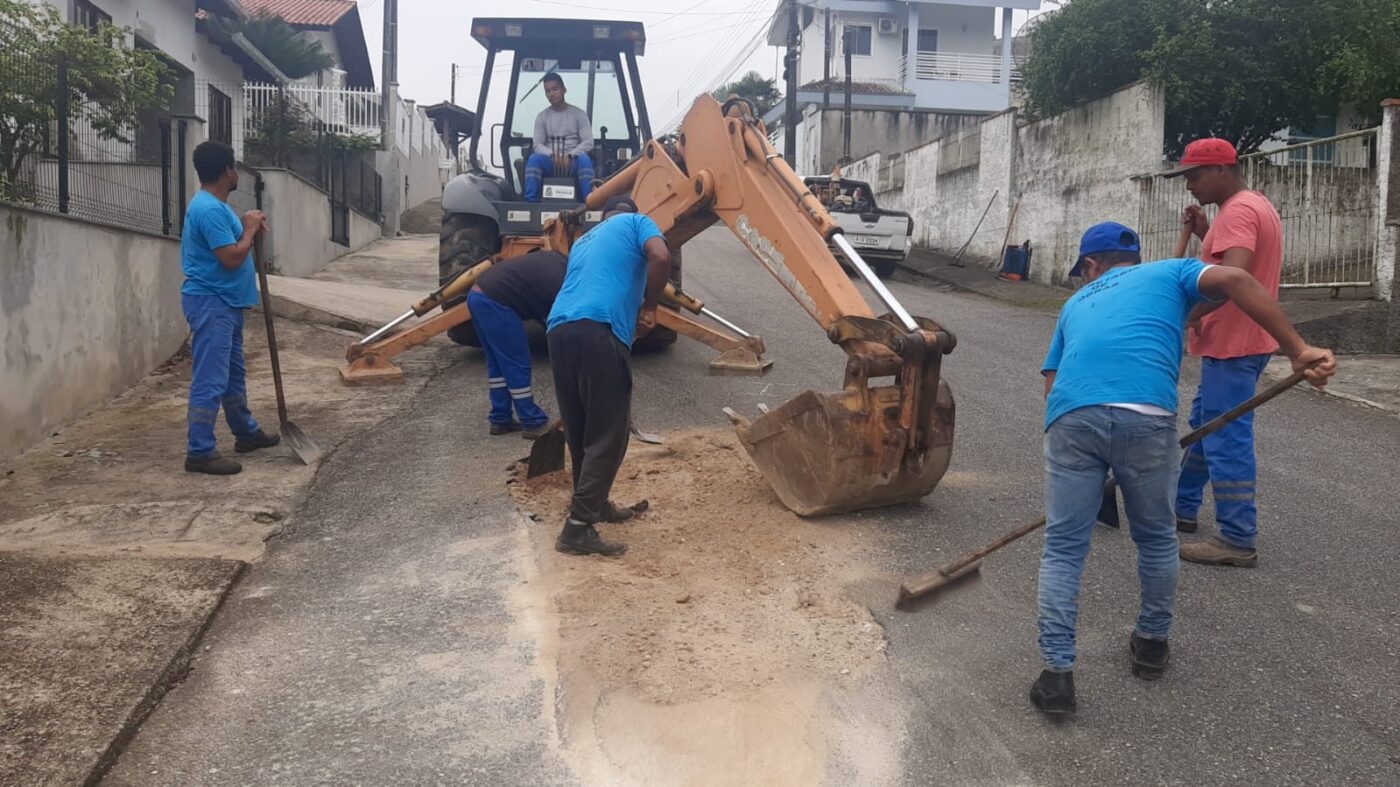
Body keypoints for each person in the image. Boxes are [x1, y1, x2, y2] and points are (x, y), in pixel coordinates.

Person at [1032, 221, 1335, 715]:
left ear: (1090, 266)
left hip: (1071, 418)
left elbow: (1053, 381)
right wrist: (1298, 350)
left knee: (1064, 551)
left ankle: (1056, 677)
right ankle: (1151, 645)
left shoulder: (1075, 304)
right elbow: (1236, 281)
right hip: (1146, 419)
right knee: (1155, 538)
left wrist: (1085, 449)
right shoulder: (1170, 273)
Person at [1165, 138, 1285, 568]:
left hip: (1234, 344)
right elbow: (1233, 259)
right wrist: (1202, 232)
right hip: (1241, 342)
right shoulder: (1252, 206)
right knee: (1206, 424)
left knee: (1225, 436)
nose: (1190, 186)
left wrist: (1187, 314)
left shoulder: (1237, 213)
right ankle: (1181, 507)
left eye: (1195, 176)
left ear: (1222, 170)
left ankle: (1237, 537)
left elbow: (1232, 277)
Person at [546, 196, 671, 557]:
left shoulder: (584, 240)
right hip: (598, 329)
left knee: (583, 431)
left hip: (559, 330)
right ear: (631, 212)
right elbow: (661, 256)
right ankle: (577, 528)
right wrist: (650, 307)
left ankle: (594, 506)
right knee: (609, 435)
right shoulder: (637, 222)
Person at [180, 141, 279, 475]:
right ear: (226, 171)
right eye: (234, 167)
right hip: (212, 302)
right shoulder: (207, 209)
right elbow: (232, 256)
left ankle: (246, 433)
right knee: (210, 378)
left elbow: (234, 240)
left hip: (227, 302)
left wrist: (249, 225)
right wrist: (249, 230)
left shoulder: (216, 208)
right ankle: (200, 451)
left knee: (233, 375)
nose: (237, 173)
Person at [466, 250, 567, 439]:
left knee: (497, 364)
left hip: (477, 295)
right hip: (496, 302)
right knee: (516, 364)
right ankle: (532, 422)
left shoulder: (556, 262)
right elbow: (558, 320)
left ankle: (500, 418)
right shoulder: (563, 281)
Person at [525, 73, 595, 203]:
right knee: (534, 160)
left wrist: (570, 155)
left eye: (555, 89)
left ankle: (590, 202)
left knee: (585, 160)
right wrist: (553, 155)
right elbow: (537, 145)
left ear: (564, 90)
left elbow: (588, 142)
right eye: (548, 91)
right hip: (551, 162)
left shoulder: (579, 114)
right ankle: (531, 203)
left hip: (573, 162)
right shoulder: (542, 117)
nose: (551, 93)